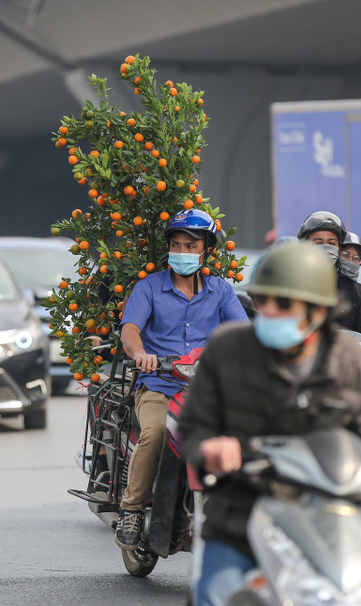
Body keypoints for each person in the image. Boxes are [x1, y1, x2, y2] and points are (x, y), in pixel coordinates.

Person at [178, 242, 361, 605]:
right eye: (263, 301)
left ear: (319, 309)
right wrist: (211, 447)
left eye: (285, 303)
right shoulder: (227, 351)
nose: (270, 312)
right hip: (238, 523)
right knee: (217, 594)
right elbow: (194, 426)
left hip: (335, 530)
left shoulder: (356, 366)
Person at [114, 208, 248, 550]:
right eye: (176, 245)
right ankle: (131, 508)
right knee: (156, 432)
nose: (182, 252)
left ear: (206, 251)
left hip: (208, 391)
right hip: (158, 387)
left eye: (190, 245)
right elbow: (129, 329)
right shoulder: (149, 287)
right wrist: (140, 352)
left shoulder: (220, 291)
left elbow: (243, 333)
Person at [297, 211, 361, 359]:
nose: (326, 248)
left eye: (331, 243)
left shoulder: (357, 292)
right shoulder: (289, 285)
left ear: (339, 248)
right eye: (318, 243)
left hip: (344, 367)